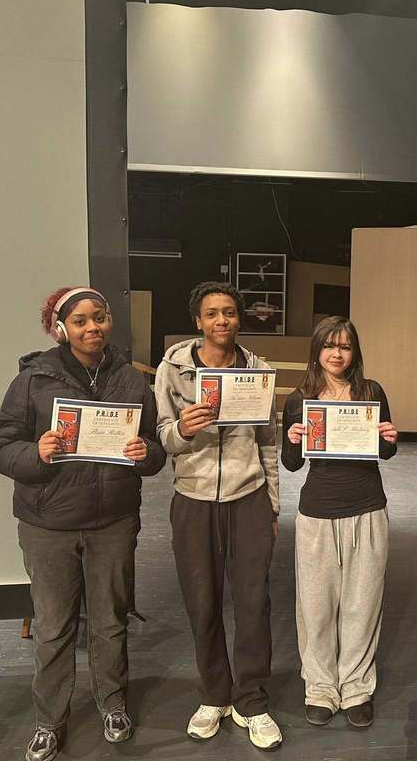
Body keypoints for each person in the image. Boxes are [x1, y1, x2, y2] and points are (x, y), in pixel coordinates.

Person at [0, 286, 166, 761]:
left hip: (112, 521)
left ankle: (112, 704)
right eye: (81, 320)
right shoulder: (33, 380)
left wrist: (148, 455)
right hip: (49, 524)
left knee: (109, 621)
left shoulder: (130, 378)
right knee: (52, 627)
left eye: (100, 318)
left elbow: (153, 447)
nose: (93, 328)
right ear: (60, 327)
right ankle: (49, 721)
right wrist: (35, 453)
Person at [153, 281, 282, 750]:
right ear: (198, 321)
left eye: (229, 312)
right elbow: (162, 435)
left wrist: (272, 502)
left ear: (238, 318)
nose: (221, 321)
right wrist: (183, 431)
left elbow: (268, 440)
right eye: (212, 314)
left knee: (254, 603)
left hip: (248, 498)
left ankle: (252, 701)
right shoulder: (173, 369)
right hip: (193, 497)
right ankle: (213, 695)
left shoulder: (259, 372)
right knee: (201, 601)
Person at [280, 316, 398, 728]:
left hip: (367, 508)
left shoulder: (372, 392)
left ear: (354, 352)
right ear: (316, 351)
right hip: (317, 512)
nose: (336, 353)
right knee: (315, 608)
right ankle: (320, 688)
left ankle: (356, 687)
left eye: (345, 346)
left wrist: (389, 438)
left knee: (361, 606)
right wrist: (293, 439)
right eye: (329, 346)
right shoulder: (300, 399)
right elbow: (291, 464)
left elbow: (385, 454)